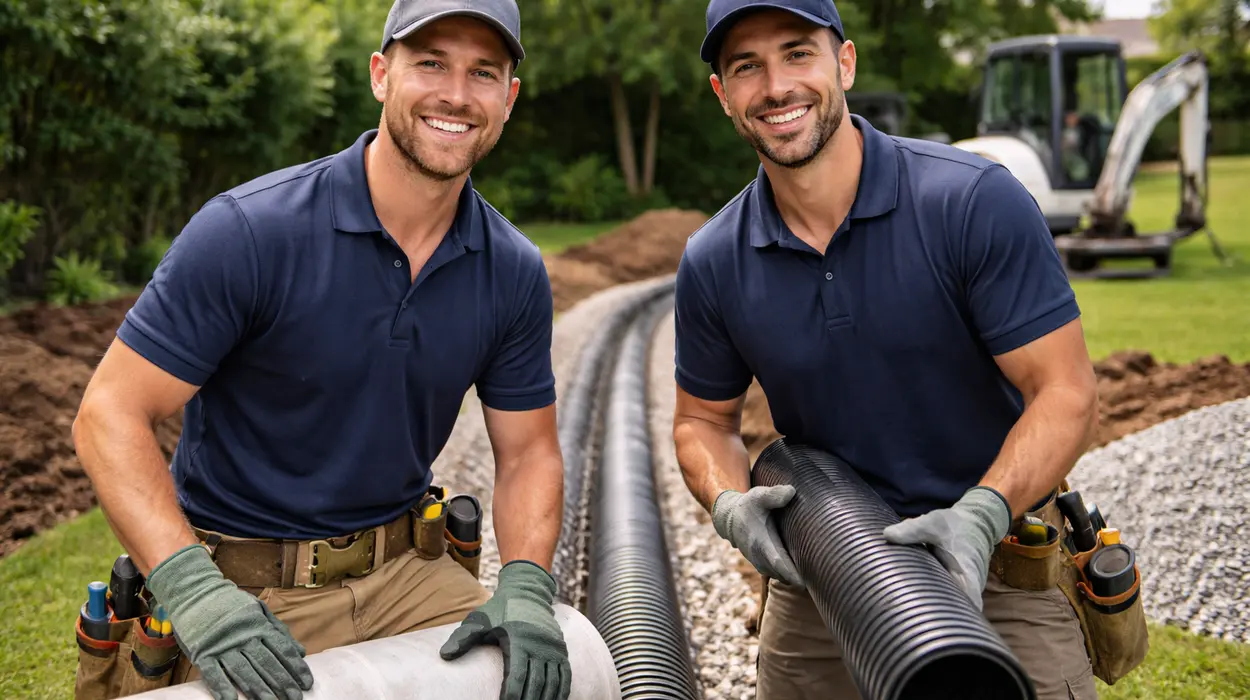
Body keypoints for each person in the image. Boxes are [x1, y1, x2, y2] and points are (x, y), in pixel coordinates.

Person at [71, 1, 572, 699]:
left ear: (509, 98)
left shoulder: (511, 268)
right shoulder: (249, 233)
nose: (456, 94)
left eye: (483, 72)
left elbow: (528, 452)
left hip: (407, 575)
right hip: (245, 590)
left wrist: (524, 582)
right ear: (380, 75)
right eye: (430, 63)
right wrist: (192, 590)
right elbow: (109, 414)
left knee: (548, 679)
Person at [670, 1, 1102, 699]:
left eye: (797, 53)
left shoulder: (969, 203)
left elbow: (1066, 392)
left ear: (844, 62)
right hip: (826, 565)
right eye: (746, 66)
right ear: (724, 96)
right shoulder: (716, 259)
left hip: (995, 556)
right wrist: (728, 503)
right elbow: (702, 421)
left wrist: (982, 515)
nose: (776, 86)